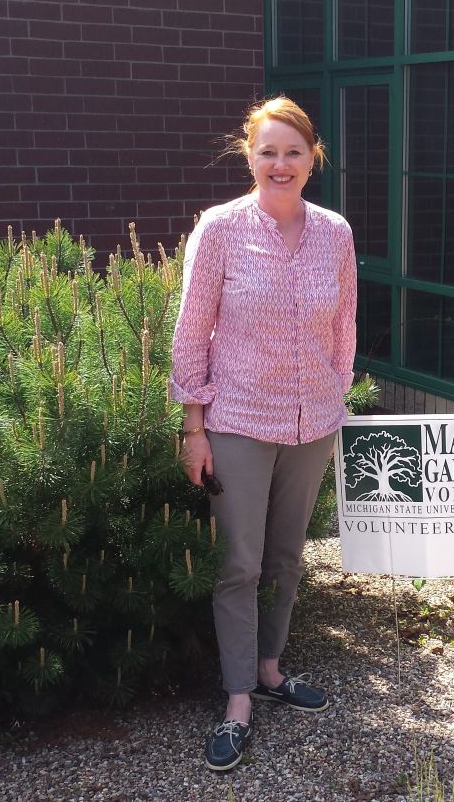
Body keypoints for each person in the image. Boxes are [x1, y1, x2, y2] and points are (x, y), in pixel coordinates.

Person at [169, 96, 357, 772]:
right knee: (240, 563)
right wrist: (194, 426)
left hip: (312, 425)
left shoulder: (335, 232)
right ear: (249, 155)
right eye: (267, 151)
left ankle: (273, 669)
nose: (281, 163)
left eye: (294, 152)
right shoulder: (220, 230)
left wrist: (336, 387)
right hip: (240, 423)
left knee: (287, 557)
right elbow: (191, 332)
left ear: (314, 158)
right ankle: (238, 697)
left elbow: (345, 326)